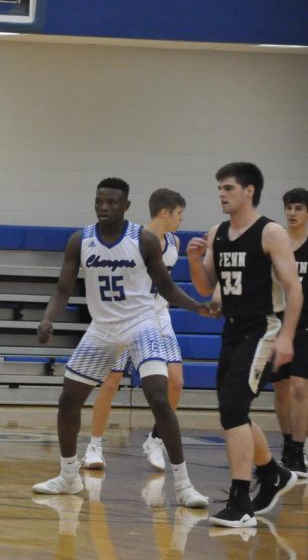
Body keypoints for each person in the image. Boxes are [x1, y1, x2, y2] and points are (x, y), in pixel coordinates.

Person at [32, 177, 211, 509]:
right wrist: (48, 318)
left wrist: (197, 306)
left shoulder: (143, 240)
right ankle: (69, 476)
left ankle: (184, 485)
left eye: (112, 202)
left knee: (159, 398)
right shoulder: (79, 240)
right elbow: (62, 289)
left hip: (141, 324)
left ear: (126, 206)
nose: (104, 207)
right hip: (102, 328)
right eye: (99, 201)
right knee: (68, 401)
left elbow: (168, 288)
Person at [187, 163, 302, 528]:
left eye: (228, 188)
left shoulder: (270, 232)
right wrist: (193, 260)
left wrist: (286, 337)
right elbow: (206, 286)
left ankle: (241, 501)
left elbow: (294, 288)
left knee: (234, 409)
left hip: (264, 328)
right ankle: (272, 472)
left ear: (249, 191)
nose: (221, 193)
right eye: (219, 188)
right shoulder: (217, 233)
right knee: (231, 410)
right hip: (233, 330)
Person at [83, 189, 188, 472]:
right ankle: (94, 445)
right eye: (179, 214)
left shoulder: (175, 241)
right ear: (165, 212)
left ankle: (156, 438)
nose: (181, 220)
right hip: (127, 316)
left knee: (175, 382)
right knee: (110, 382)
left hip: (159, 316)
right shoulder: (134, 240)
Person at [268, 187, 307, 478]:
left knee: (300, 386)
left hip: (305, 324)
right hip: (277, 322)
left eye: (298, 208)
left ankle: (298, 448)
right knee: (281, 389)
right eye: (289, 208)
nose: (292, 213)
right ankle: (286, 445)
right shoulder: (276, 241)